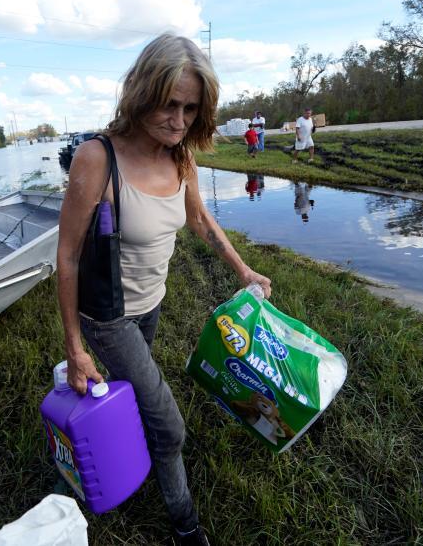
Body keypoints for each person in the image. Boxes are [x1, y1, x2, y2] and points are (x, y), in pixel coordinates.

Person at [56, 34, 272, 546]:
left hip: (152, 304)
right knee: (169, 426)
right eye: (169, 105)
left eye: (190, 109)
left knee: (133, 396)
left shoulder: (181, 158)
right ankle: (185, 523)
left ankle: (114, 454)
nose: (179, 121)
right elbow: (66, 256)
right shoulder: (97, 158)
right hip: (108, 316)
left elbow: (199, 219)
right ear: (142, 94)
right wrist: (75, 346)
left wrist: (243, 270)